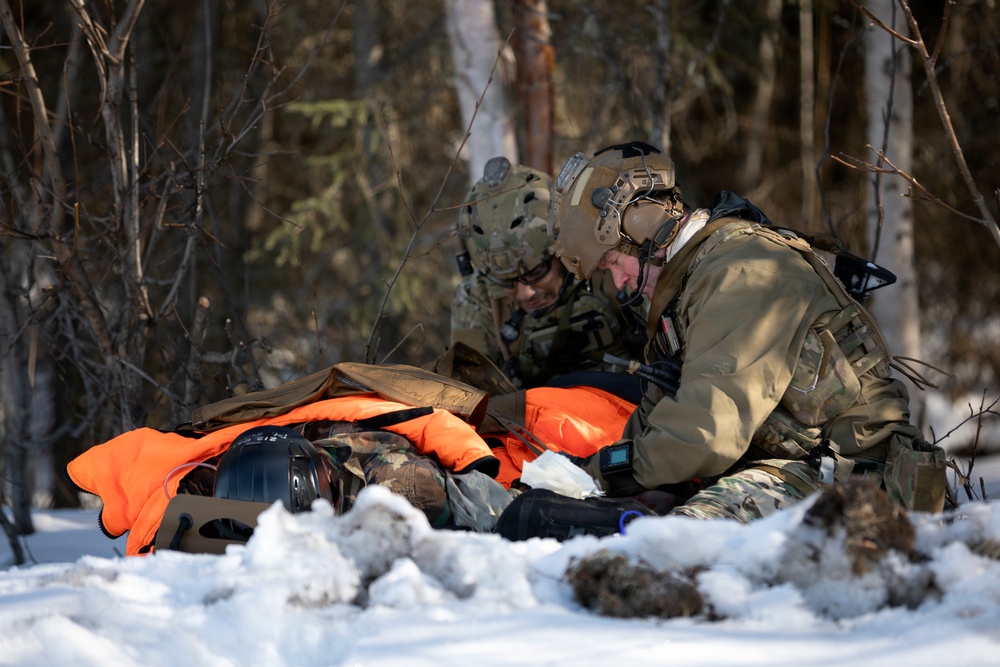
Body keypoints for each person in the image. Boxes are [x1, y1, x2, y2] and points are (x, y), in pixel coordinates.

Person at [551, 140, 947, 522]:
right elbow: (661, 416)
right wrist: (591, 479)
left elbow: (708, 430)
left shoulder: (741, 271)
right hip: (797, 469)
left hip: (864, 484)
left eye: (613, 261)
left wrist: (601, 475)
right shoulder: (686, 287)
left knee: (678, 543)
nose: (619, 282)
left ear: (643, 225)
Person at [450, 156, 645, 390]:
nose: (525, 293)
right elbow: (465, 392)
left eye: (537, 273)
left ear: (562, 252)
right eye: (506, 281)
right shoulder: (478, 299)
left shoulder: (609, 269)